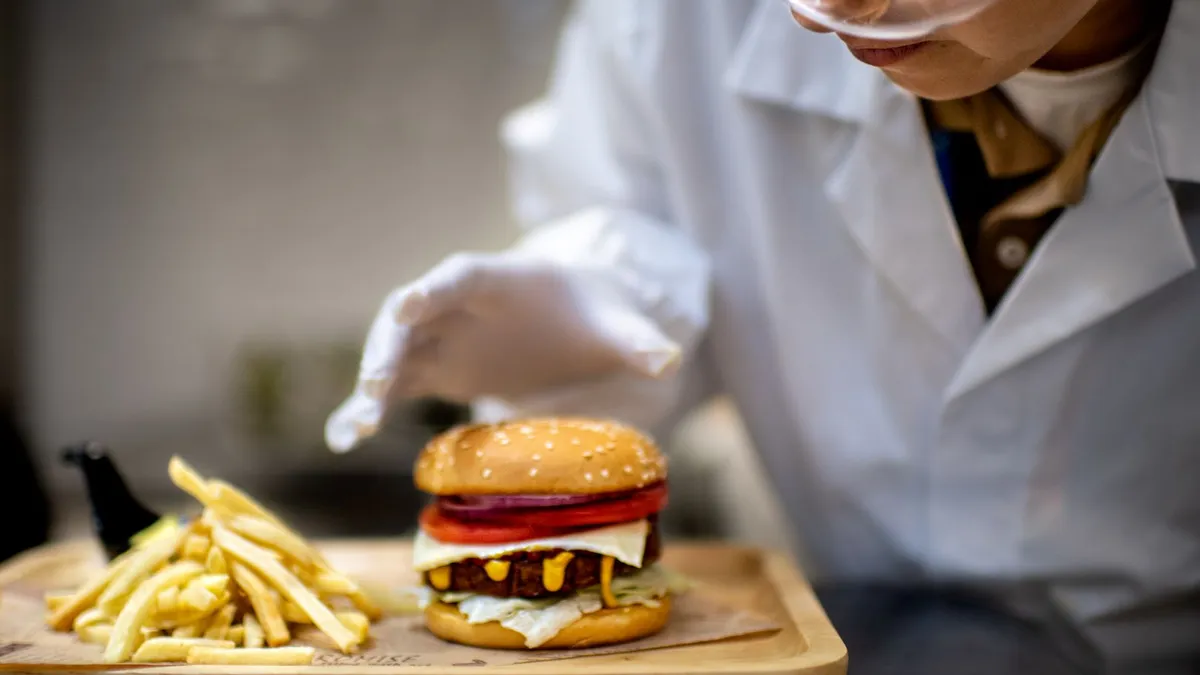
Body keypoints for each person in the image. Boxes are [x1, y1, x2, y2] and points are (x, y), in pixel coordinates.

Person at [327, 0, 1199, 664]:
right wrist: (598, 298)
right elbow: (632, 216)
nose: (838, 7)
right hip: (829, 634)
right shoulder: (681, 21)